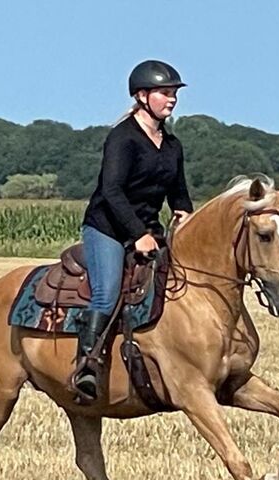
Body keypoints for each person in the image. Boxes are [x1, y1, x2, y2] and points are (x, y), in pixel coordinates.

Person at [74, 59, 194, 401]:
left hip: (150, 230)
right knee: (107, 292)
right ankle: (87, 367)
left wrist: (185, 215)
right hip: (108, 228)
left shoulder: (172, 145)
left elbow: (178, 193)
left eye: (173, 94)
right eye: (164, 93)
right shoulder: (122, 138)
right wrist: (137, 233)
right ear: (142, 96)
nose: (171, 99)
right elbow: (111, 192)